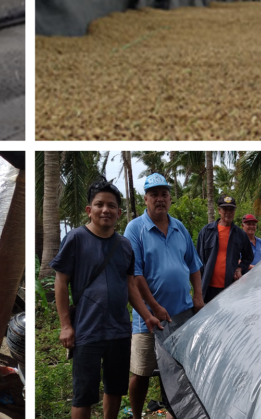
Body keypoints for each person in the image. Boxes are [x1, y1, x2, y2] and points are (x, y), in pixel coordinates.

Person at [51, 180, 161, 419]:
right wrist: (66, 325)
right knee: (83, 394)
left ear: (119, 213)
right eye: (99, 204)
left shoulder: (124, 246)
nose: (105, 210)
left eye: (111, 205)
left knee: (114, 389)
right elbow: (61, 281)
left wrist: (147, 316)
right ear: (89, 210)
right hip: (86, 331)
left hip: (119, 331)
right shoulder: (76, 238)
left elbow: (130, 285)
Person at [125, 174, 203, 419]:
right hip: (147, 318)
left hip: (182, 314)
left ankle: (175, 412)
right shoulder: (135, 229)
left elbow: (194, 266)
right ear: (145, 198)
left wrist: (198, 297)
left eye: (164, 194)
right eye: (154, 194)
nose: (160, 199)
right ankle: (136, 416)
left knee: (180, 369)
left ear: (170, 198)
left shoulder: (179, 227)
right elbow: (136, 276)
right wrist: (154, 307)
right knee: (141, 372)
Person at [197, 196, 253, 302]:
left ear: (234, 211)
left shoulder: (240, 234)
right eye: (225, 209)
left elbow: (248, 256)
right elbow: (198, 261)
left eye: (231, 209)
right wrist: (197, 291)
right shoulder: (206, 232)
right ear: (219, 210)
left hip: (230, 289)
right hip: (208, 289)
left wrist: (240, 268)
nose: (228, 212)